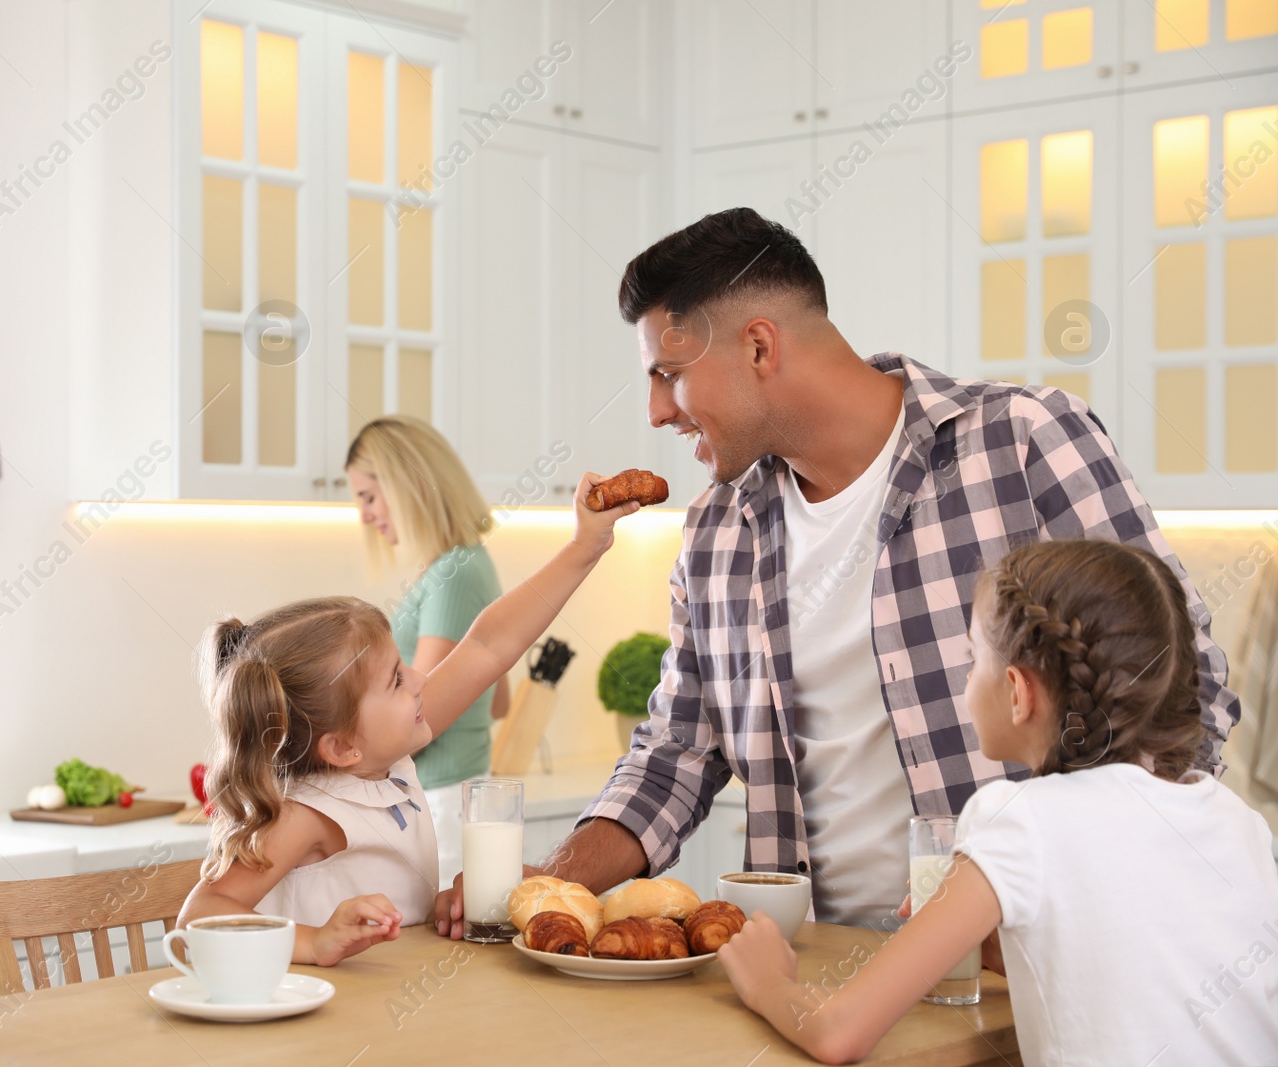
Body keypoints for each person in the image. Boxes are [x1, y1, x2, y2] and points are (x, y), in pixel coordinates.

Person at [436, 206, 1240, 940]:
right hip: (811, 981)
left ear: (758, 345)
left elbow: (1186, 687)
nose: (655, 412)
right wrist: (549, 881)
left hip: (1026, 963)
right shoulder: (717, 531)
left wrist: (1064, 885)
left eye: (668, 372)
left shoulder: (1021, 446)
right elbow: (676, 753)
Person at [717, 539, 1278, 1065]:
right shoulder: (1237, 820)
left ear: (1016, 691)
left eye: (972, 658)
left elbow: (840, 1034)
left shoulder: (1016, 817)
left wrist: (768, 983)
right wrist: (1004, 951)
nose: (965, 682)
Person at [175, 474, 640, 967]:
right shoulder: (305, 813)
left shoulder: (384, 758)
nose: (420, 679)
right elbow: (199, 917)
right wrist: (313, 941)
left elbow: (487, 646)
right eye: (396, 679)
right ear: (341, 748)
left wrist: (586, 545)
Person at [346, 416, 510, 890]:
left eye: (368, 496)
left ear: (406, 485)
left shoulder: (454, 572)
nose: (364, 514)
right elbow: (499, 701)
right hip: (445, 794)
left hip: (440, 799)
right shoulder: (457, 566)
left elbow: (425, 707)